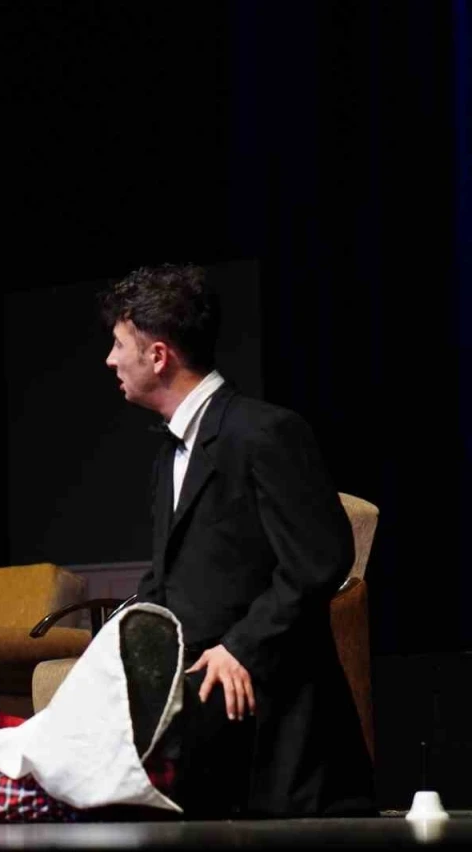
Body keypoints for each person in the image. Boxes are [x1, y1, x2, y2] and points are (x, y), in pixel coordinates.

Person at [100, 263, 375, 817]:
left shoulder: (266, 432)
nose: (110, 359)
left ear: (158, 356)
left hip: (279, 725)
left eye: (119, 344)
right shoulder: (167, 457)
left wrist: (241, 646)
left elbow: (318, 561)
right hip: (207, 727)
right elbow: (169, 577)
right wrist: (117, 644)